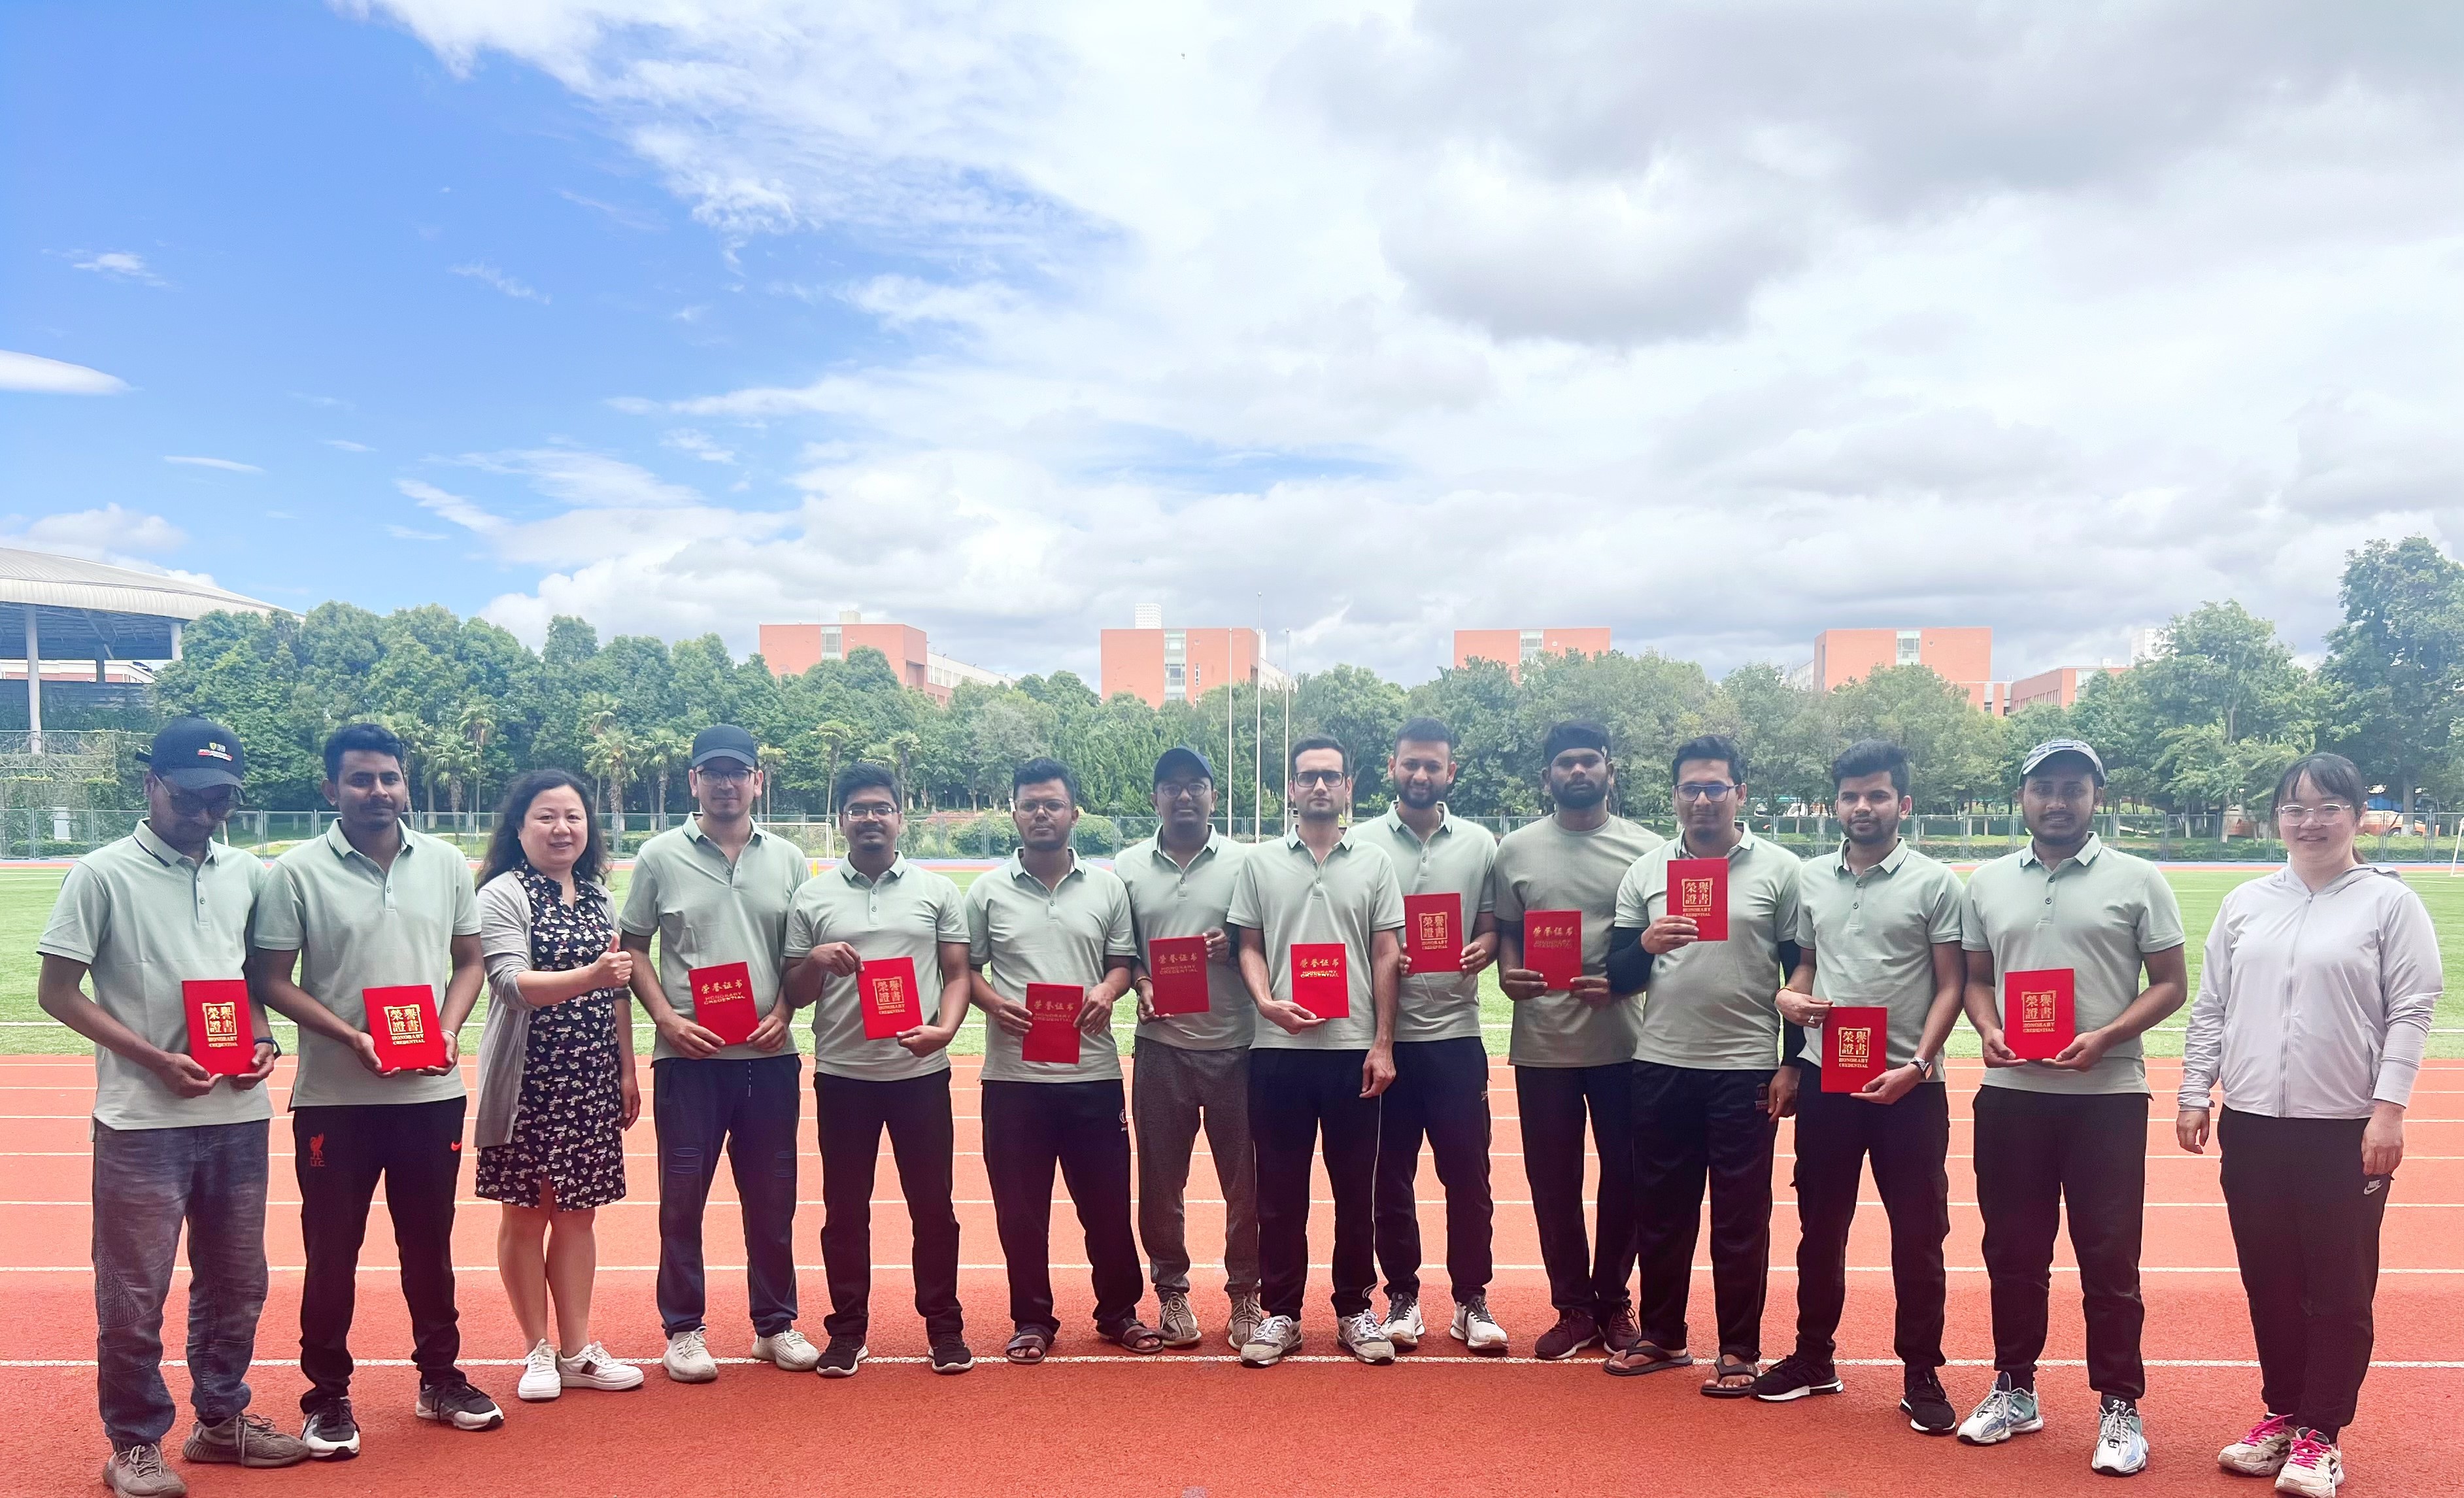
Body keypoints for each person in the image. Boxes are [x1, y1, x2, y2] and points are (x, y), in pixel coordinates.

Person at [39, 719, 311, 1496]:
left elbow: (252, 979)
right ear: (151, 783)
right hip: (141, 1119)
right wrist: (153, 1057)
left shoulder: (248, 874)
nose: (204, 814)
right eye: (189, 797)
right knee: (133, 1293)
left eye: (221, 800)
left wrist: (263, 1037)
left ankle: (221, 1420)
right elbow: (57, 992)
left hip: (237, 1113)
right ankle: (133, 1442)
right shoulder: (100, 874)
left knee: (238, 1283)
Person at [2180, 753, 2440, 1497]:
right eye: (2295, 807)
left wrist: (2388, 1110)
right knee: (2269, 1278)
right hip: (2253, 1122)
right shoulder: (2246, 902)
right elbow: (2212, 1005)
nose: (2311, 820)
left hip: (2345, 1126)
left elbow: (2410, 1009)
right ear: (2277, 818)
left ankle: (2322, 1432)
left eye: (2329, 806)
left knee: (2338, 1284)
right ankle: (2284, 1412)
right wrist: (2195, 1091)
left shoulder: (2388, 904)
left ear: (2357, 816)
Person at [248, 723, 503, 1449]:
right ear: (331, 788)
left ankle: (440, 1377)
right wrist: (349, 1036)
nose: (378, 791)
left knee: (430, 1246)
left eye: (389, 777)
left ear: (405, 784)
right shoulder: (295, 872)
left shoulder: (445, 862)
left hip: (430, 1092)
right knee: (333, 1251)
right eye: (360, 779)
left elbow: (469, 960)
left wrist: (448, 1028)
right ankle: (326, 1395)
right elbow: (268, 978)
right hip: (335, 1098)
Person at [1955, 738, 2187, 1476]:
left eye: (2073, 789)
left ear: (2096, 797)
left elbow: (2171, 983)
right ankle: (2014, 1387)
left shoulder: (2139, 878)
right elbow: (1975, 977)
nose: (2057, 802)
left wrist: (2107, 1035)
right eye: (2043, 788)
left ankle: (2119, 1403)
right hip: (2012, 1095)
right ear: (2021, 797)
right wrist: (1987, 1028)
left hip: (2106, 1096)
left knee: (2109, 1257)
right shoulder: (1986, 881)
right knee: (2012, 1252)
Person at [1754, 740, 1965, 1433]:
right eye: (1850, 796)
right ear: (1835, 804)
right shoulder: (1811, 878)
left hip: (1910, 1084)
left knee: (1918, 1233)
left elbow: (1951, 984)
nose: (1861, 806)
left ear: (1902, 803)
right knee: (1820, 1228)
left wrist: (1920, 1064)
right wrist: (1789, 996)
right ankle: (1813, 1356)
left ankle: (1920, 1370)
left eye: (1875, 795)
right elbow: (1807, 963)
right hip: (1829, 1077)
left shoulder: (1935, 883)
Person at [1605, 733, 1804, 1394]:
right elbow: (1617, 975)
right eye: (1690, 788)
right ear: (1674, 796)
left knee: (1740, 1216)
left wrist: (1791, 1062)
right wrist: (1644, 942)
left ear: (1739, 793)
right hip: (1661, 1062)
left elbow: (1799, 972)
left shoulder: (1780, 870)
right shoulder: (1646, 871)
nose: (1701, 799)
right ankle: (1663, 1334)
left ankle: (1739, 1348)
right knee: (1661, 1211)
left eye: (1715, 787)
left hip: (1745, 1068)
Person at [618, 725, 819, 1380]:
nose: (726, 783)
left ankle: (775, 1323)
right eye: (713, 772)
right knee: (682, 1200)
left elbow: (798, 955)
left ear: (758, 780)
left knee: (773, 1198)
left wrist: (785, 1012)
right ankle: (683, 1330)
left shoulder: (788, 858)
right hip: (689, 1061)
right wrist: (666, 1019)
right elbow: (633, 947)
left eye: (738, 772)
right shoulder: (658, 856)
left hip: (770, 1058)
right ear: (693, 781)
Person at [783, 764, 975, 1376]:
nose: (871, 818)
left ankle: (944, 1327)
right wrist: (815, 959)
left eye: (881, 808)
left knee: (934, 1207)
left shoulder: (935, 890)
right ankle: (847, 1330)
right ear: (841, 819)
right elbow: (795, 993)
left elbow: (957, 974)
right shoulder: (812, 896)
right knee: (844, 1210)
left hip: (920, 1073)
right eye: (858, 809)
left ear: (900, 817)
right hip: (843, 1075)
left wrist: (945, 1029)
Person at [966, 757, 1155, 1363]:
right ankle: (1031, 1319)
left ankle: (1119, 1312)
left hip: (1091, 1074)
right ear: (1014, 813)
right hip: (1013, 1078)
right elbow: (964, 970)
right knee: (1020, 1211)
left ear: (1074, 812)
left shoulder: (1106, 887)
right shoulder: (987, 891)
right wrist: (993, 1003)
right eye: (1030, 804)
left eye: (1052, 804)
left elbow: (1122, 963)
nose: (1041, 813)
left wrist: (1108, 989)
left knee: (1107, 1204)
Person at [1231, 734, 1407, 1369]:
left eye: (1331, 775)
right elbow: (1248, 945)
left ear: (1349, 786)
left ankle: (1354, 1307)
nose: (1320, 786)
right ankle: (1281, 1311)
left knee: (1355, 1190)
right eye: (1308, 776)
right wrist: (1265, 1001)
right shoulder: (1259, 863)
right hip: (1278, 1048)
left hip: (1351, 1050)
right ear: (1290, 787)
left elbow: (1386, 952)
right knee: (1279, 1192)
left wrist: (1382, 1042)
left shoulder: (1374, 863)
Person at [1491, 721, 1663, 1359]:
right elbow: (1508, 931)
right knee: (1553, 1181)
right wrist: (1508, 974)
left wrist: (1622, 985)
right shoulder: (1515, 849)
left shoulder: (1648, 850)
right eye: (1566, 762)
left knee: (1628, 1175)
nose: (1579, 771)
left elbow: (1663, 944)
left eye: (1590, 760)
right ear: (1547, 777)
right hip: (1544, 1044)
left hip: (1627, 1043)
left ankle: (1613, 1300)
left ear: (1609, 771)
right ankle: (1573, 1307)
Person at [472, 770, 644, 1403]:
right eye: (546, 816)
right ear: (519, 827)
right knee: (526, 1210)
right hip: (529, 1077)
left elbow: (618, 989)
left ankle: (577, 1348)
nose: (562, 828)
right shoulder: (502, 894)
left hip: (590, 1074)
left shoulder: (599, 897)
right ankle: (536, 1348)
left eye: (573, 816)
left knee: (578, 1212)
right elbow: (510, 983)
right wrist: (591, 974)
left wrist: (625, 1066)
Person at [1349, 716, 1507, 1354]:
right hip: (1382, 1039)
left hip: (1455, 1036)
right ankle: (1402, 1296)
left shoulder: (1479, 844)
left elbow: (1492, 926)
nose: (1420, 774)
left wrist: (1483, 948)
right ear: (1392, 766)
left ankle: (1471, 1299)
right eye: (1409, 763)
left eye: (1432, 764)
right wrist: (1385, 956)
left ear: (1450, 771)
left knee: (1468, 1176)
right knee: (1389, 1177)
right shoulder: (1359, 843)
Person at [1118, 747, 1261, 1352]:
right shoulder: (1126, 867)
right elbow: (1120, 951)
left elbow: (1267, 940)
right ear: (1155, 797)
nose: (1183, 796)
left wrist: (1233, 945)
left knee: (1247, 1184)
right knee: (1159, 1180)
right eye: (1171, 786)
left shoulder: (1246, 863)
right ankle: (1171, 1291)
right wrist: (1142, 983)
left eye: (1195, 785)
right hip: (1162, 1047)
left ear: (1212, 795)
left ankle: (1246, 1292)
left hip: (1238, 1045)